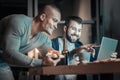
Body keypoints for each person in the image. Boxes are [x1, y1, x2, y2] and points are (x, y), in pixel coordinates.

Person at [0, 4, 62, 80]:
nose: (56, 26)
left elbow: (50, 54)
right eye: (54, 21)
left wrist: (55, 57)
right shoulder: (19, 22)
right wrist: (42, 63)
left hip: (3, 62)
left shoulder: (44, 39)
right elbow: (10, 52)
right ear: (43, 17)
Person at [52, 16, 97, 80]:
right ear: (65, 28)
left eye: (79, 30)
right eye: (73, 29)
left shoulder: (80, 45)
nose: (76, 33)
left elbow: (93, 64)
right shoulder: (53, 44)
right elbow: (51, 64)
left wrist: (108, 58)